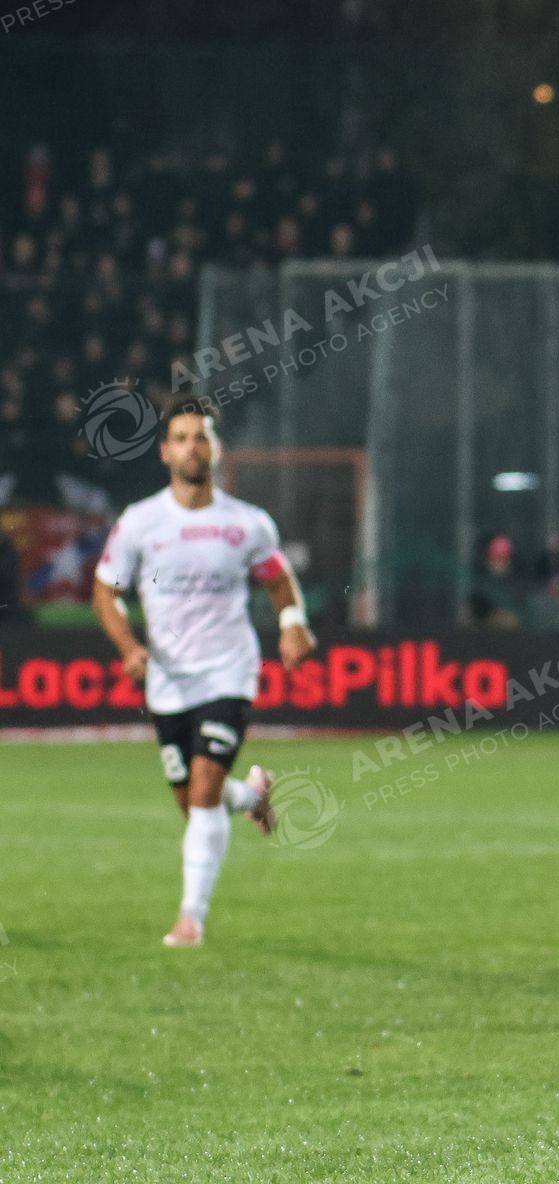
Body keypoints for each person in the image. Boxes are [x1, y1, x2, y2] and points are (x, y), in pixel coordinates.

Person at [91, 401, 317, 948]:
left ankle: (190, 918)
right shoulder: (140, 522)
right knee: (192, 800)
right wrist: (128, 647)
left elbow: (278, 579)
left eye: (201, 437)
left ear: (216, 449)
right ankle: (252, 797)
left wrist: (293, 625)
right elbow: (105, 591)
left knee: (202, 791)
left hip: (228, 672)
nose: (192, 447)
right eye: (182, 437)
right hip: (168, 680)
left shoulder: (246, 523)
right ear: (164, 451)